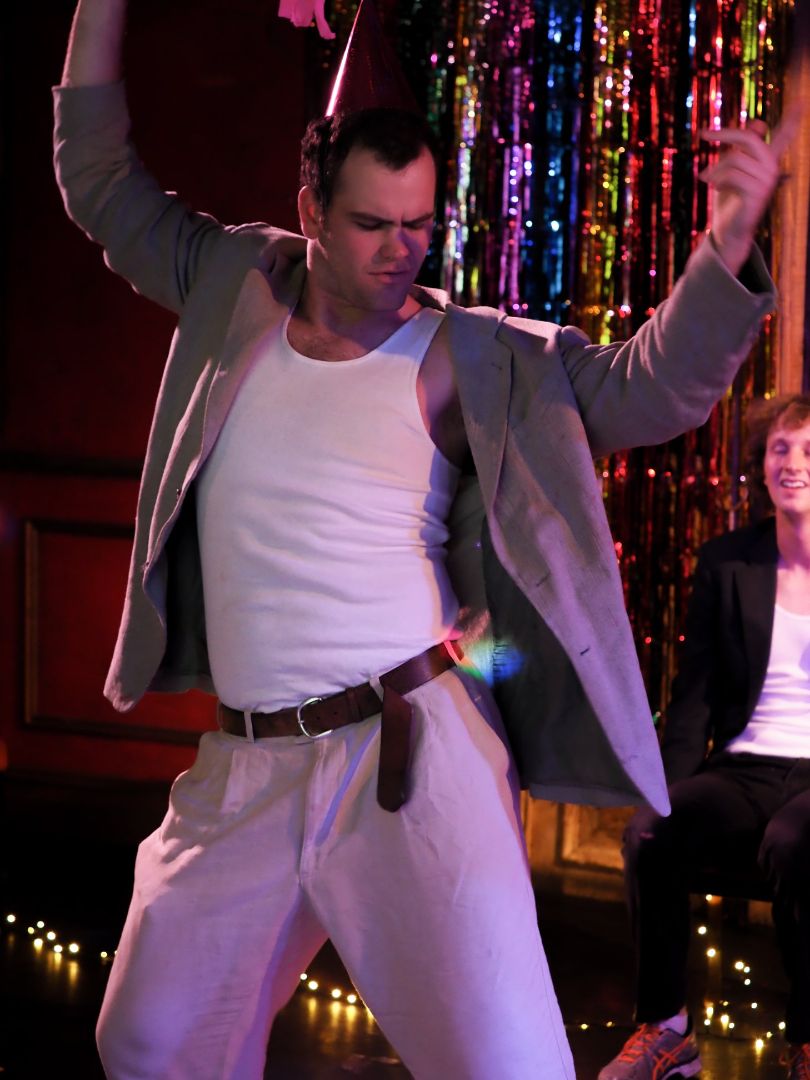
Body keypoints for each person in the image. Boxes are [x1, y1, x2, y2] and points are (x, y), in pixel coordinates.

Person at [54, 0, 796, 1075]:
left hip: (406, 757)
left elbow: (650, 391)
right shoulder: (232, 282)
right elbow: (98, 181)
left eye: (418, 223)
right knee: (149, 1041)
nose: (401, 250)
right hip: (247, 766)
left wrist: (724, 247)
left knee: (507, 1068)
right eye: (372, 224)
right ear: (310, 209)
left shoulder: (473, 354)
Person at [599, 394, 810, 1080]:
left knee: (794, 844)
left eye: (808, 450)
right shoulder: (728, 561)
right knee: (651, 833)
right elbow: (694, 695)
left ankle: (808, 1039)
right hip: (745, 768)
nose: (793, 463)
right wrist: (662, 793)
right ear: (762, 463)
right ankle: (668, 1030)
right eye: (781, 448)